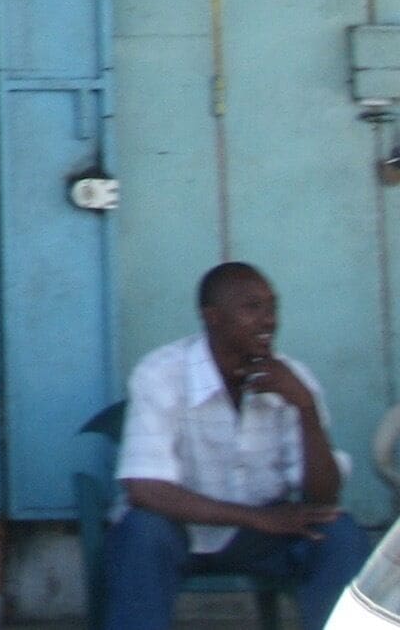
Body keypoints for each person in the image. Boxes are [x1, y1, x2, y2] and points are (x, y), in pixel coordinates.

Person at [104, 262, 368, 630]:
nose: (269, 320)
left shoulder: (293, 379)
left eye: (272, 308)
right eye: (252, 308)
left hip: (265, 537)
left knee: (339, 532)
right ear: (212, 317)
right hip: (181, 531)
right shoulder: (162, 373)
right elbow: (144, 488)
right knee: (142, 530)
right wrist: (256, 518)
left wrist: (305, 406)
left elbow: (323, 497)